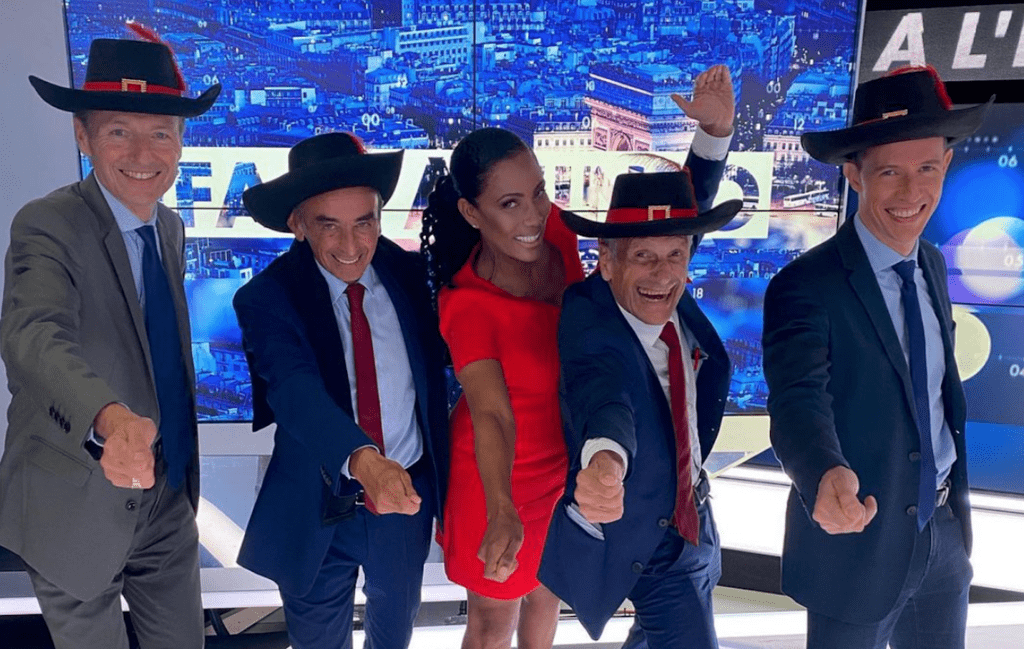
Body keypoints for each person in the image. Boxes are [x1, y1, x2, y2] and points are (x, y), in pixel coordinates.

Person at [421, 63, 737, 649]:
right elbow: (492, 413)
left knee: (547, 602)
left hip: (571, 467)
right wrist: (500, 508)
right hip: (500, 477)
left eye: (539, 193)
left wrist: (712, 137)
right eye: (510, 203)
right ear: (471, 213)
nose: (533, 215)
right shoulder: (467, 305)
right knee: (492, 624)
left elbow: (662, 227)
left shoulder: (560, 240)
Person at [0, 29, 220, 648]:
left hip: (166, 495)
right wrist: (110, 417)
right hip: (74, 499)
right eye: (119, 131)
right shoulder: (47, 223)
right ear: (83, 135)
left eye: (162, 133)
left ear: (181, 139)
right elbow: (33, 334)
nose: (144, 153)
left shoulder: (168, 227)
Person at [762, 66, 992, 648]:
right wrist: (822, 474)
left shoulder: (931, 264)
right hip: (857, 541)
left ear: (946, 165)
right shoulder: (805, 285)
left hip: (943, 535)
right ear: (853, 174)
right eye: (890, 172)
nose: (911, 193)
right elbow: (796, 402)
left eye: (927, 169)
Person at [233, 132, 450, 649]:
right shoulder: (266, 298)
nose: (351, 247)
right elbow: (294, 391)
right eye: (330, 226)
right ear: (298, 224)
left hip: (404, 498)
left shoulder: (413, 276)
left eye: (364, 223)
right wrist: (365, 462)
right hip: (314, 503)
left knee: (394, 636)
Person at [537, 163, 741, 648]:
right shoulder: (591, 323)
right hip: (652, 539)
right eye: (643, 255)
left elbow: (689, 208)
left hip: (697, 516)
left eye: (675, 255)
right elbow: (605, 396)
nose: (662, 272)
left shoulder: (666, 284)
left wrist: (713, 139)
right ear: (607, 262)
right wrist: (605, 462)